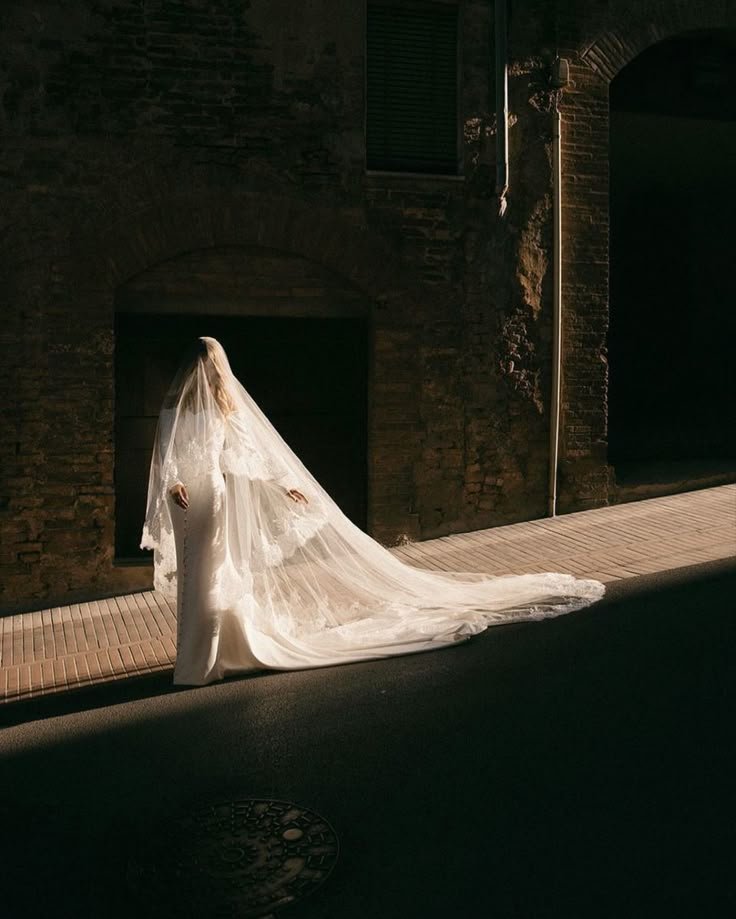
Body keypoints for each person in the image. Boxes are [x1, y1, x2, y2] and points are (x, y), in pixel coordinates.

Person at [141, 336, 604, 686]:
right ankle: (202, 657)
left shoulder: (224, 410)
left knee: (212, 573)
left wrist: (287, 487)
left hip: (212, 499)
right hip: (188, 500)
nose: (209, 373)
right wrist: (175, 483)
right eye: (207, 367)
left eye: (210, 366)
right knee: (198, 575)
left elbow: (249, 454)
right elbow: (166, 458)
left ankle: (206, 660)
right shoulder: (174, 411)